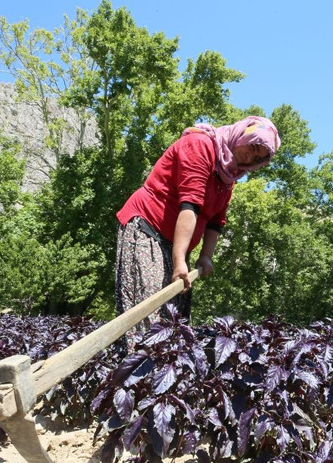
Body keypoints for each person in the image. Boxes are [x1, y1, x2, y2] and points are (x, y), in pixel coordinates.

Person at [115, 115, 281, 339]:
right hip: (147, 227)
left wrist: (206, 256)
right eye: (252, 148)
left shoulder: (229, 174)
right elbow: (190, 203)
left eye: (257, 158)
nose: (250, 157)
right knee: (148, 316)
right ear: (242, 135)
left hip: (176, 243)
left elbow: (216, 221)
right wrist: (180, 261)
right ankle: (136, 371)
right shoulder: (200, 145)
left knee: (175, 321)